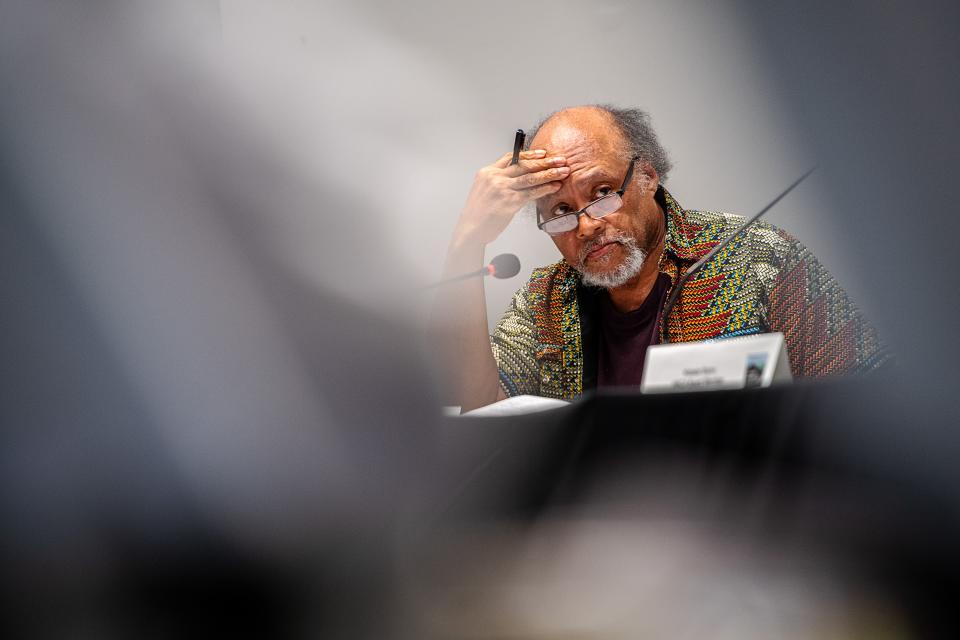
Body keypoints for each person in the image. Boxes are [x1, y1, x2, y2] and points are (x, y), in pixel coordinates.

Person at [436, 105, 889, 411]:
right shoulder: (546, 302)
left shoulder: (755, 258)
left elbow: (874, 393)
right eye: (560, 212)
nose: (587, 225)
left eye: (602, 193)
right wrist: (466, 242)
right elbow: (480, 406)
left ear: (647, 176)